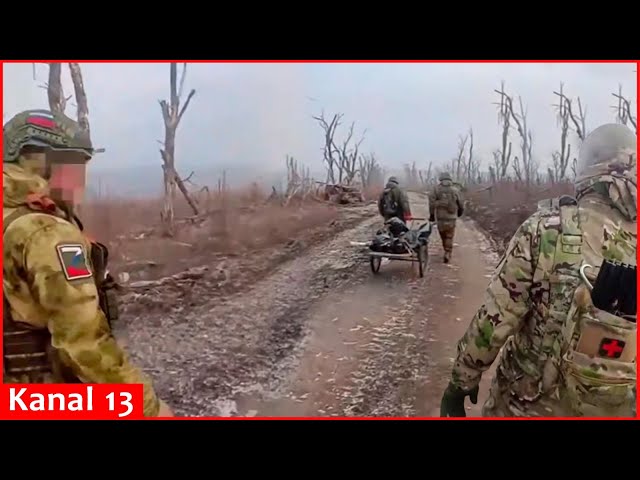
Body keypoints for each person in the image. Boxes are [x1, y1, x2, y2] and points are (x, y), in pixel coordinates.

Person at [440, 123, 637, 418]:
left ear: (588, 170)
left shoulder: (545, 230)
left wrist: (461, 381)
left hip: (529, 405)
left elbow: (495, 321)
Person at [3, 109, 173, 418]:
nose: (81, 178)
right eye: (76, 165)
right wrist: (146, 408)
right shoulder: (45, 232)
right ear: (39, 162)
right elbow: (82, 344)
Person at [428, 172, 463, 263]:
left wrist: (432, 215)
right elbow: (460, 203)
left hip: (440, 217)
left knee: (443, 235)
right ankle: (447, 252)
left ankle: (446, 249)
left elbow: (431, 203)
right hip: (451, 217)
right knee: (449, 236)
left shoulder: (436, 189)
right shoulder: (455, 190)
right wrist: (459, 213)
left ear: (440, 179)